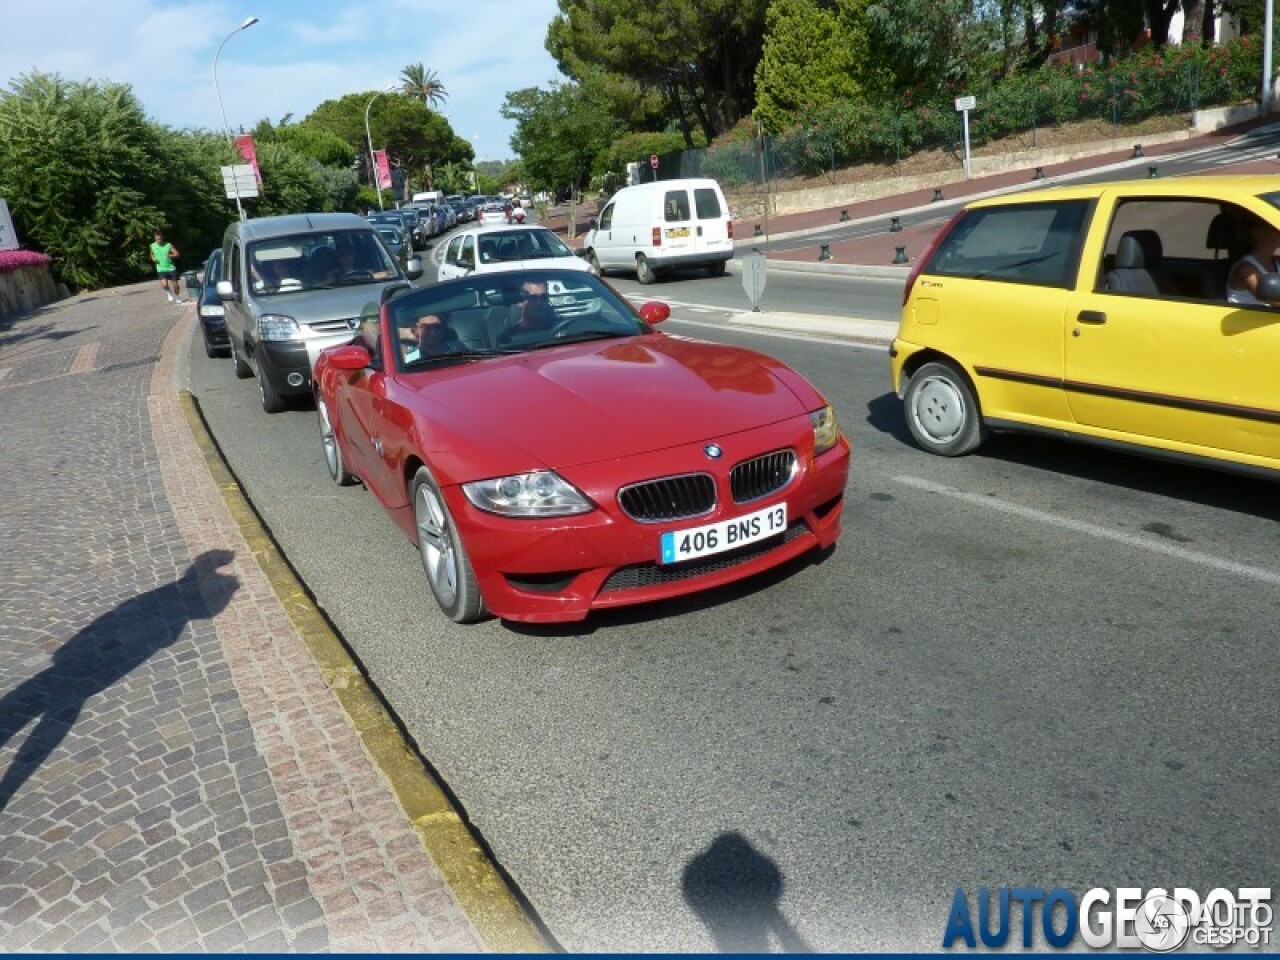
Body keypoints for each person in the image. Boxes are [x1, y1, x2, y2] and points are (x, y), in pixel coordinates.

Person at [1226, 218, 1280, 305]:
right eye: (1274, 228)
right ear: (1255, 232)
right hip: (1248, 318)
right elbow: (1275, 302)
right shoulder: (1246, 269)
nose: (1278, 232)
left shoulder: (1276, 262)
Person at [497, 281, 557, 346]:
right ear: (520, 302)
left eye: (544, 297)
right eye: (533, 298)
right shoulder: (508, 337)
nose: (539, 302)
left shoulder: (559, 327)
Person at [149, 231, 183, 303]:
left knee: (175, 285)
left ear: (162, 238)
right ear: (155, 238)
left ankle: (177, 297)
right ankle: (169, 293)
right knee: (164, 285)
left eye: (160, 239)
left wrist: (170, 255)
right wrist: (153, 259)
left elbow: (177, 254)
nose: (158, 240)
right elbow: (151, 254)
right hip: (160, 268)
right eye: (157, 239)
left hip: (171, 268)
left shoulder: (168, 245)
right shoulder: (152, 246)